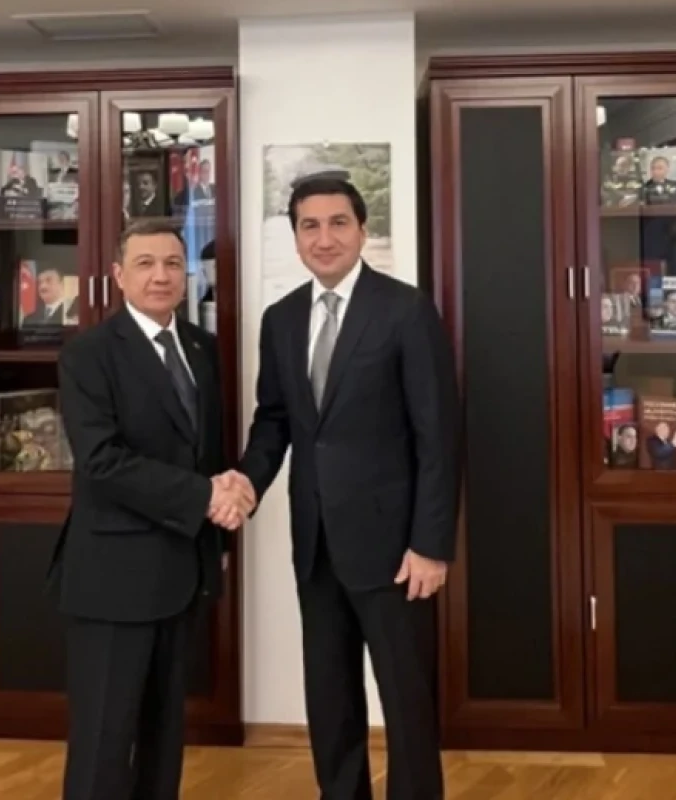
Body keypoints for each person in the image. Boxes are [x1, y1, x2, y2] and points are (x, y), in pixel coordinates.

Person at [226, 177, 460, 799]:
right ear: (296, 236)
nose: (324, 238)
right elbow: (274, 421)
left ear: (361, 231)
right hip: (317, 542)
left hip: (396, 550)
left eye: (338, 223)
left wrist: (431, 545)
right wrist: (247, 482)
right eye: (310, 225)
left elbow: (438, 437)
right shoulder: (281, 320)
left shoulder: (405, 310)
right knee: (329, 697)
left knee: (407, 701)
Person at [48, 217, 253, 799]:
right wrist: (205, 496)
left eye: (172, 264)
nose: (160, 275)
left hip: (181, 572)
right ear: (118, 275)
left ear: (186, 277)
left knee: (164, 738)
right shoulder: (89, 355)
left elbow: (206, 452)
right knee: (104, 742)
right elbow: (102, 461)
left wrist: (224, 510)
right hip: (112, 580)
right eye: (145, 263)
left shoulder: (201, 348)